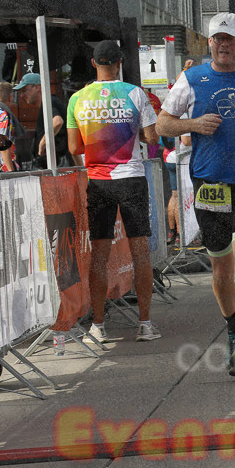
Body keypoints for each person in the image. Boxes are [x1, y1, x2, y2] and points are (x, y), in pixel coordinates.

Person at [157, 12, 235, 377]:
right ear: (210, 42)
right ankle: (230, 326)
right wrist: (192, 125)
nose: (223, 44)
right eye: (217, 39)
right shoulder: (192, 78)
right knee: (221, 268)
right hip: (208, 182)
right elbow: (163, 123)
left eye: (230, 38)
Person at [66, 40, 161, 343]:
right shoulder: (135, 93)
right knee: (140, 252)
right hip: (131, 177)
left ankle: (98, 326)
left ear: (94, 64)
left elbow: (73, 147)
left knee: (100, 256)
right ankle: (145, 324)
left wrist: (98, 139)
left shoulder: (77, 99)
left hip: (98, 180)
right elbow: (150, 136)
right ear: (120, 62)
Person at [16, 72, 73, 169]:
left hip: (58, 164)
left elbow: (58, 122)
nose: (22, 95)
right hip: (55, 163)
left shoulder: (49, 101)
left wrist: (42, 143)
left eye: (25, 90)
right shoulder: (48, 103)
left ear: (37, 87)